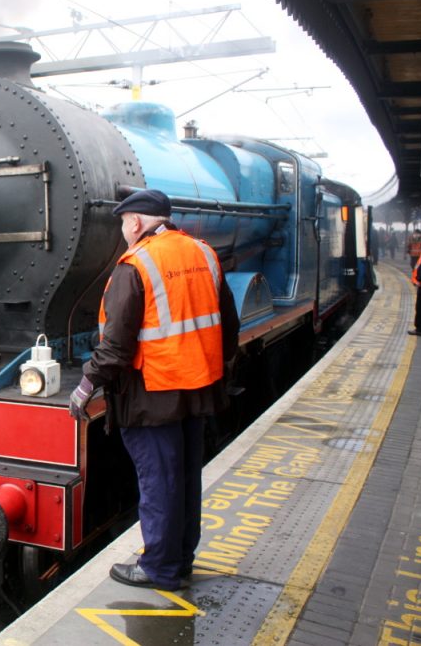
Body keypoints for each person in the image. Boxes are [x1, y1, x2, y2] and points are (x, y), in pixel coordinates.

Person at [69, 189, 240, 591]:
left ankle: (160, 568)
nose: (123, 232)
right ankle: (180, 560)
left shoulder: (136, 265)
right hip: (196, 389)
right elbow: (228, 328)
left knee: (158, 481)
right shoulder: (203, 254)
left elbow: (116, 345)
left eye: (123, 225)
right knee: (183, 477)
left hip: (152, 394)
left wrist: (86, 385)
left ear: (135, 222)